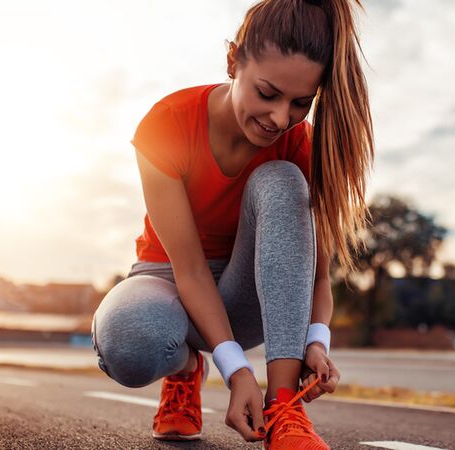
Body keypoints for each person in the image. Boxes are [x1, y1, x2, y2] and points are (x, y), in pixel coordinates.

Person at [90, 0, 373, 447]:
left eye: (301, 102)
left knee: (282, 178)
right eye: (267, 93)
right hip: (169, 282)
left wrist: (316, 343)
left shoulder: (301, 146)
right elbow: (190, 270)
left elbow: (317, 279)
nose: (281, 119)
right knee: (129, 341)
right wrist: (235, 370)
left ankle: (284, 407)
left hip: (249, 295)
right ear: (232, 61)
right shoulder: (168, 123)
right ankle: (185, 369)